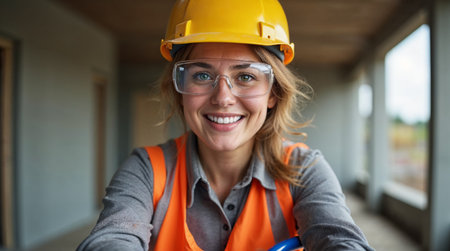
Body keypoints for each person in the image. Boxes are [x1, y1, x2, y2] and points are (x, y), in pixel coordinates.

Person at [77, 0, 374, 250]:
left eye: (245, 76)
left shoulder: (304, 169)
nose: (223, 98)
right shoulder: (146, 170)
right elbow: (111, 239)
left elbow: (342, 240)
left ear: (273, 93)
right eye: (202, 76)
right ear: (180, 91)